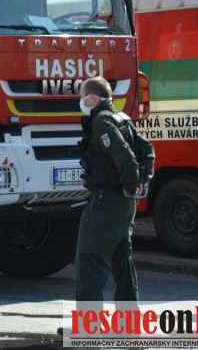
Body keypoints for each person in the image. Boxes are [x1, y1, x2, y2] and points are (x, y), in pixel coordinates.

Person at [74, 76, 155, 305]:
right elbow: (147, 150)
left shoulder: (101, 122)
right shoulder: (123, 118)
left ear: (92, 98)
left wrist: (131, 184)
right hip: (124, 205)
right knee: (122, 261)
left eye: (82, 96)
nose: (80, 101)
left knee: (89, 261)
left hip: (106, 201)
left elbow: (125, 156)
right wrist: (140, 182)